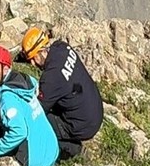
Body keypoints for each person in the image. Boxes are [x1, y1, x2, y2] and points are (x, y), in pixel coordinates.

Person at [18, 26, 104, 159]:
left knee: (39, 124)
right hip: (94, 110)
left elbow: (37, 111)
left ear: (42, 51)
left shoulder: (51, 78)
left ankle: (71, 150)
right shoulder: (62, 47)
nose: (33, 64)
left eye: (34, 59)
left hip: (84, 125)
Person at [0, 44, 59, 166]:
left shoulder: (7, 99)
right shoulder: (24, 80)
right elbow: (36, 86)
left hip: (35, 165)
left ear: (5, 70)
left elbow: (19, 132)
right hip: (52, 150)